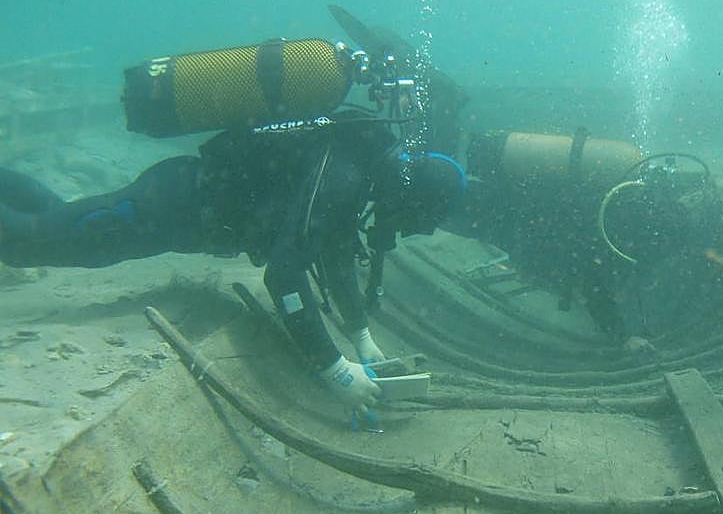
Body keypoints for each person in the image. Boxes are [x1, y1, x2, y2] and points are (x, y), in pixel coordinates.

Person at [0, 95, 466, 421]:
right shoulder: (345, 177)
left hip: (179, 202)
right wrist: (336, 370)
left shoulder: (360, 168)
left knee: (54, 222)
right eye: (412, 219)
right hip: (172, 206)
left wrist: (361, 337)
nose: (400, 227)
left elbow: (336, 254)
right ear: (412, 197)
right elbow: (284, 274)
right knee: (27, 242)